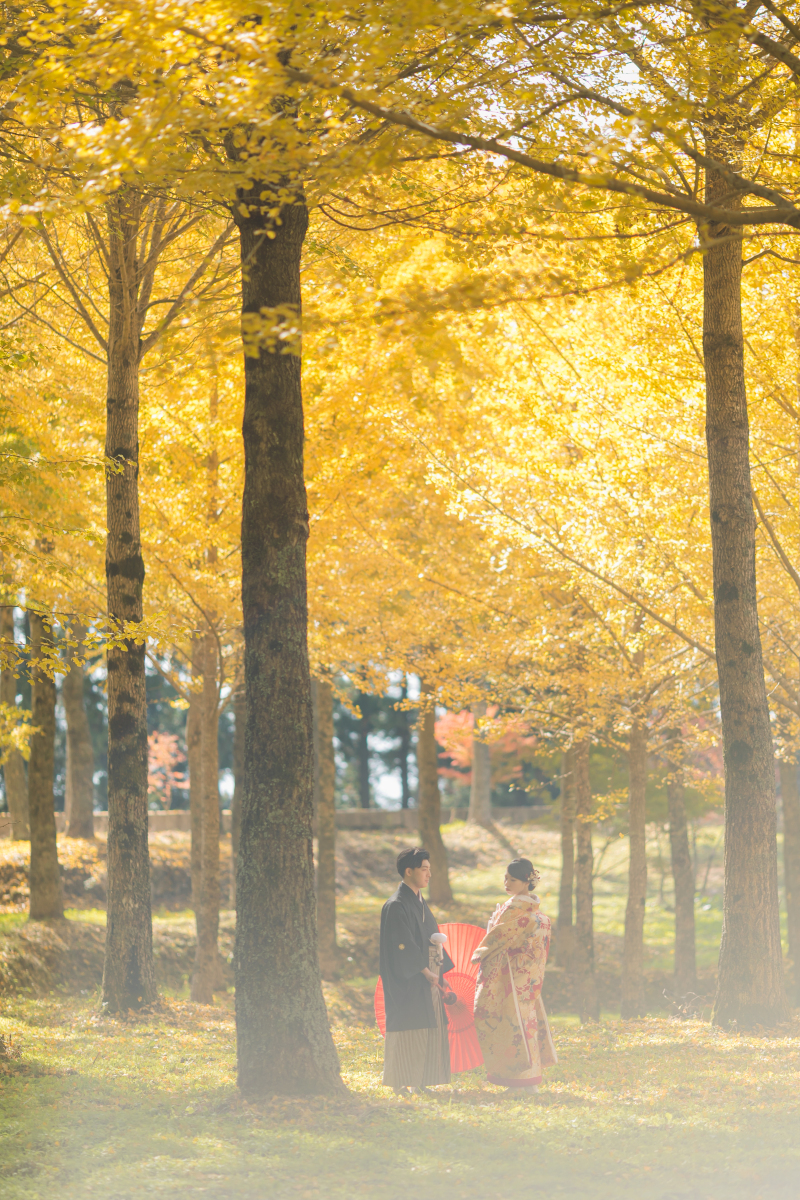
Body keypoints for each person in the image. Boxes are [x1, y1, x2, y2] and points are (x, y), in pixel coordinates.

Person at [471, 857, 557, 1093]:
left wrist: (482, 949)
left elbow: (497, 939)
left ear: (526, 882)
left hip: (509, 975)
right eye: (506, 878)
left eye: (513, 879)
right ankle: (528, 1079)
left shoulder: (515, 910)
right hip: (527, 977)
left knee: (511, 1025)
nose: (507, 883)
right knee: (524, 1023)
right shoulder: (536, 912)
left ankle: (520, 1081)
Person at [379, 846, 455, 1095]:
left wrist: (439, 972)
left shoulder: (420, 903)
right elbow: (402, 945)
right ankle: (401, 1081)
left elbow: (432, 938)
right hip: (409, 976)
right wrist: (423, 970)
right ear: (408, 871)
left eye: (430, 869)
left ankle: (421, 1080)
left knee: (429, 1026)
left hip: (429, 974)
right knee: (409, 1025)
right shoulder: (396, 905)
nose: (429, 874)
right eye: (424, 869)